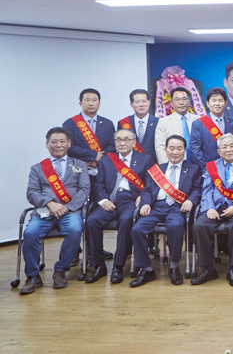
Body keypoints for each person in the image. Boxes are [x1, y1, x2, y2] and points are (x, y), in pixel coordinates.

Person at [19, 128, 90, 295]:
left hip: (70, 211)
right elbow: (32, 192)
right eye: (54, 141)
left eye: (62, 141)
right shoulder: (37, 168)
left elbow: (84, 189)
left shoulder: (79, 165)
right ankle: (33, 276)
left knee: (75, 230)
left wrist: (67, 207)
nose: (58, 145)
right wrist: (50, 204)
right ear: (47, 144)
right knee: (30, 233)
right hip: (44, 212)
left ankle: (60, 270)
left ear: (69, 144)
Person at [130, 135, 202, 287]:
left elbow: (197, 189)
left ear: (184, 150)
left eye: (179, 148)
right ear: (165, 150)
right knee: (137, 229)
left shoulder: (193, 169)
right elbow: (147, 190)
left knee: (175, 226)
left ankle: (174, 266)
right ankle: (147, 269)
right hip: (156, 207)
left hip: (177, 208)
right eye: (172, 148)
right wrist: (145, 203)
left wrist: (190, 200)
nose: (175, 152)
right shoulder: (156, 170)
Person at [84, 128, 153, 284]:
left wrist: (142, 197)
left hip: (130, 200)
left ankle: (118, 266)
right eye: (119, 140)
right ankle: (98, 266)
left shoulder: (145, 159)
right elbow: (99, 184)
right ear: (114, 142)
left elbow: (149, 185)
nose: (122, 143)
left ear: (134, 142)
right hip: (109, 200)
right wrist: (103, 201)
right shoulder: (107, 159)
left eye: (127, 139)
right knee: (91, 222)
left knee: (126, 221)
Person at [191, 133, 233, 287]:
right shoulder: (211, 167)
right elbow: (206, 190)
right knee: (199, 226)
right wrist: (209, 208)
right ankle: (208, 269)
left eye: (232, 146)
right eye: (224, 147)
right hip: (216, 206)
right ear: (219, 151)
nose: (228, 150)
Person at [63, 88, 116, 202]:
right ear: (80, 103)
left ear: (99, 103)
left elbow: (113, 146)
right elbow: (69, 147)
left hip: (101, 170)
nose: (91, 103)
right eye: (87, 100)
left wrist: (99, 159)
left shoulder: (108, 123)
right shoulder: (70, 123)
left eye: (94, 100)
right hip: (78, 170)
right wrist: (94, 156)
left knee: (100, 201)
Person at [154, 87, 200, 165]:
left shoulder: (199, 120)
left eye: (184, 99)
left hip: (198, 165)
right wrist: (167, 167)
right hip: (174, 165)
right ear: (171, 103)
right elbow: (160, 147)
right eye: (177, 99)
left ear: (189, 101)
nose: (181, 102)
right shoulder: (163, 122)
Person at [189, 87, 230, 168]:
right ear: (207, 103)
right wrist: (206, 170)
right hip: (209, 169)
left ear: (225, 103)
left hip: (231, 168)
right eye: (214, 100)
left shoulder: (232, 122)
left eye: (220, 100)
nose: (217, 103)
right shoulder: (198, 124)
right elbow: (195, 150)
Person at [119, 89, 158, 163]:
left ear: (149, 102)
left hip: (153, 164)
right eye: (137, 102)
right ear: (131, 104)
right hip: (130, 165)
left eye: (144, 101)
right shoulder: (123, 123)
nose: (141, 105)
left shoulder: (158, 122)